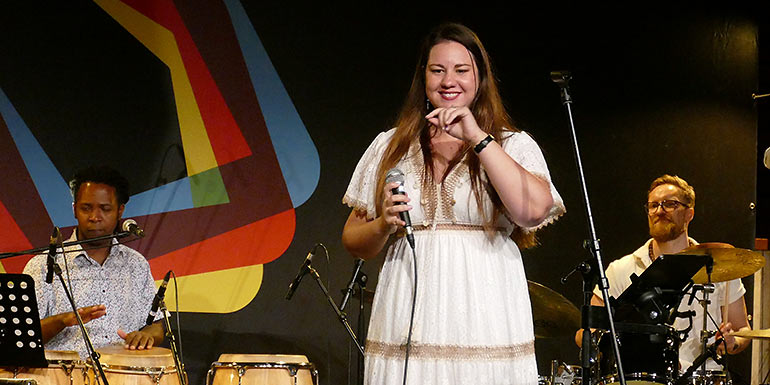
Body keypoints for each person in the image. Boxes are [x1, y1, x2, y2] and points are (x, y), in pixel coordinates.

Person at [342, 23, 565, 385]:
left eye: (462, 70)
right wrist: (383, 224)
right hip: (408, 315)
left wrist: (477, 136)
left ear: (480, 78)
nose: (449, 81)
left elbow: (532, 211)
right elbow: (354, 241)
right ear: (423, 77)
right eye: (437, 70)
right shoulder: (391, 146)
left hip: (485, 314)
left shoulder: (511, 145)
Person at [574, 175, 751, 372]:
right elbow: (585, 333)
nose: (659, 211)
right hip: (641, 378)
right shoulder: (620, 269)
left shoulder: (718, 264)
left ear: (689, 214)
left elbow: (742, 329)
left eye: (669, 204)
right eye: (653, 205)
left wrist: (732, 342)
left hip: (702, 376)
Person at [23, 166, 164, 357]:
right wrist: (62, 321)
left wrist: (146, 336)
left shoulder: (136, 264)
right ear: (74, 209)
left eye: (105, 209)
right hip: (65, 372)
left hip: (122, 371)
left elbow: (156, 326)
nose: (94, 217)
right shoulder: (43, 265)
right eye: (86, 208)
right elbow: (21, 335)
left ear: (120, 211)